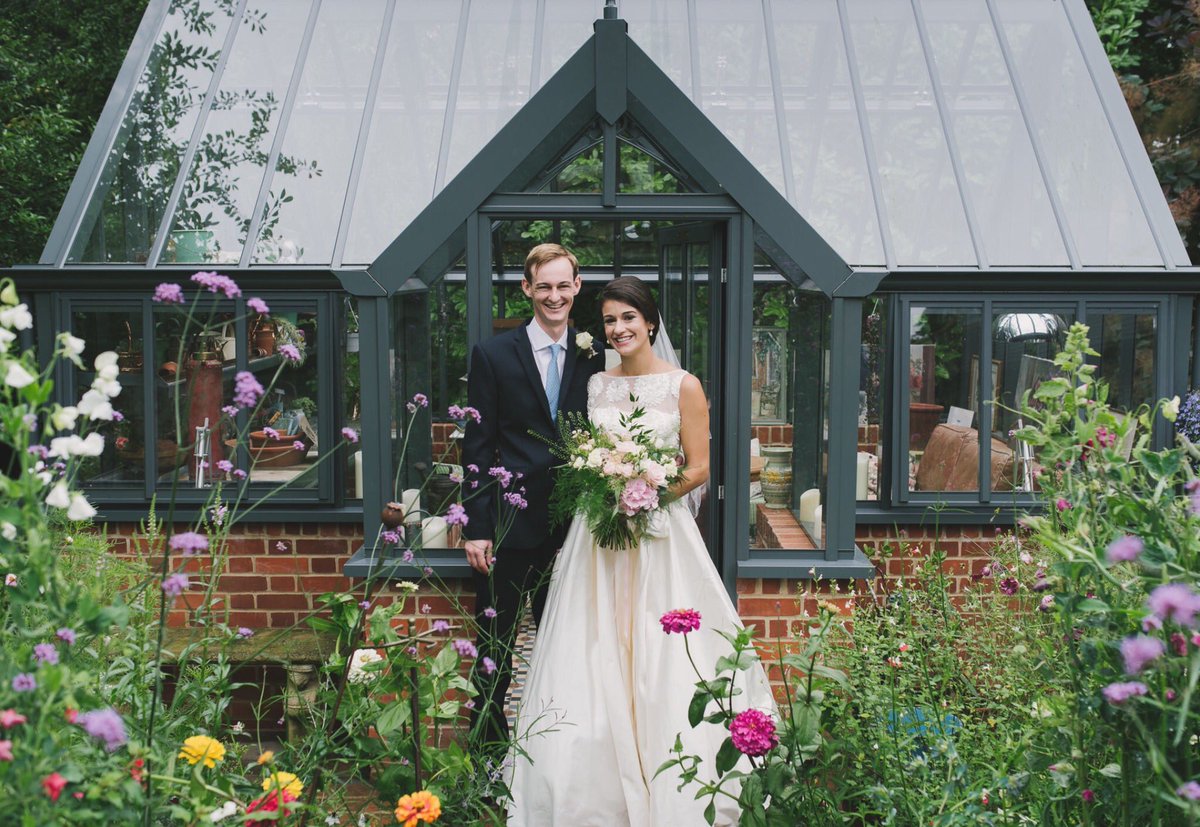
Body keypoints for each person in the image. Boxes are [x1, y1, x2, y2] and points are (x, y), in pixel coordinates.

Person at [506, 276, 775, 826]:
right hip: (598, 537)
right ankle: (590, 791)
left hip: (658, 536)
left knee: (662, 650)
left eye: (628, 317)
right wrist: (605, 487)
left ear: (650, 321)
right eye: (609, 320)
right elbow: (588, 456)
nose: (619, 329)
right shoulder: (597, 387)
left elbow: (698, 467)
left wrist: (644, 495)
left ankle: (675, 779)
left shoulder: (684, 386)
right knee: (592, 644)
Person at [460, 243, 605, 758]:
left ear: (577, 287)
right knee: (495, 651)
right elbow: (475, 445)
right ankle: (487, 757)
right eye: (543, 286)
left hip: (574, 529)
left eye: (563, 285)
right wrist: (476, 526)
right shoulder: (492, 354)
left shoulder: (596, 356)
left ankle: (556, 757)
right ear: (527, 289)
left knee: (566, 648)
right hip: (505, 524)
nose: (554, 295)